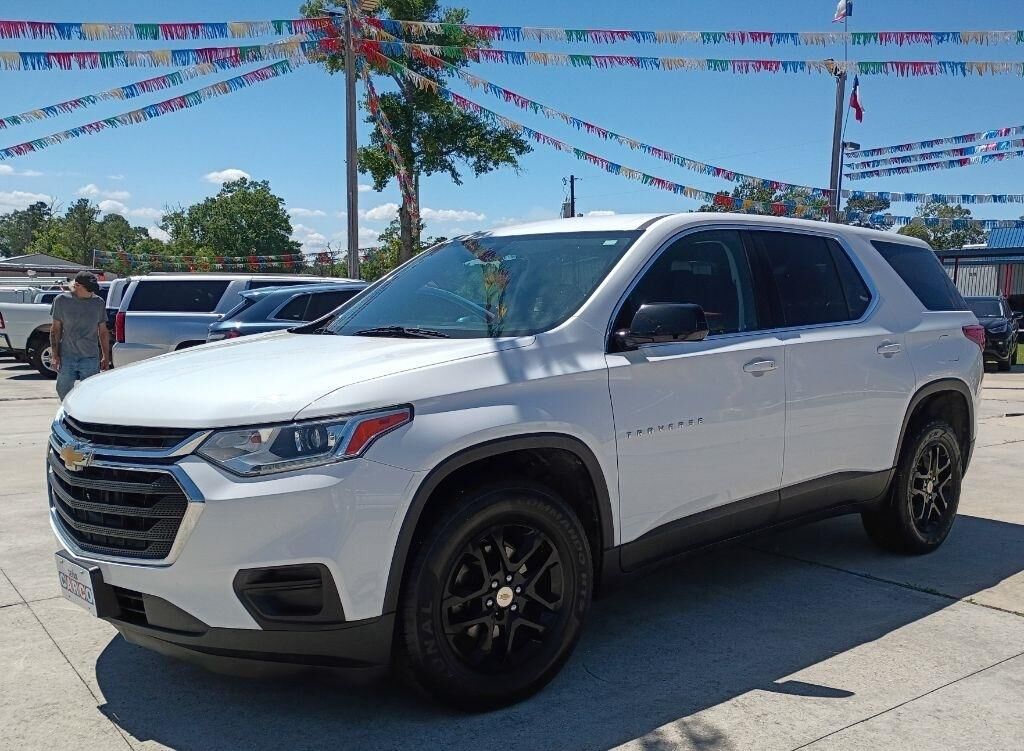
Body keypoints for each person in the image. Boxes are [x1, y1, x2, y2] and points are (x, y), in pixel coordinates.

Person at [50, 271, 110, 400]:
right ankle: (68, 411)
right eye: (88, 289)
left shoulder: (98, 302)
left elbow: (103, 331)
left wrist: (106, 356)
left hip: (90, 357)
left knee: (90, 393)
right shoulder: (61, 301)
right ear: (76, 286)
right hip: (67, 356)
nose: (91, 292)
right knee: (63, 389)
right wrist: (55, 356)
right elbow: (55, 330)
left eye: (93, 289)